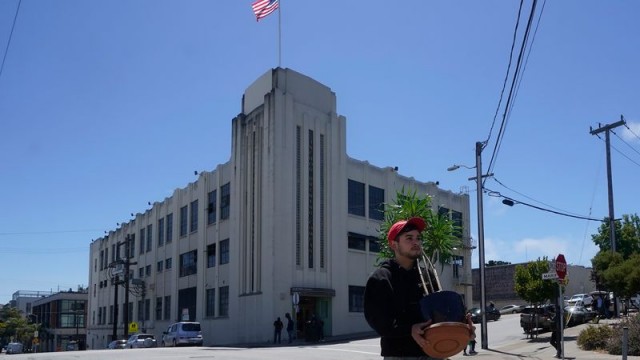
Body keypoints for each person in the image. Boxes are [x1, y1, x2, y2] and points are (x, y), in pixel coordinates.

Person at [364, 217, 437, 359]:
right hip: (399, 354)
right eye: (409, 238)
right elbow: (379, 322)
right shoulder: (381, 278)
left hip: (432, 352)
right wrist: (410, 329)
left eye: (418, 238)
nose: (416, 242)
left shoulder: (427, 276)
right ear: (394, 245)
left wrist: (460, 326)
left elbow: (437, 311)